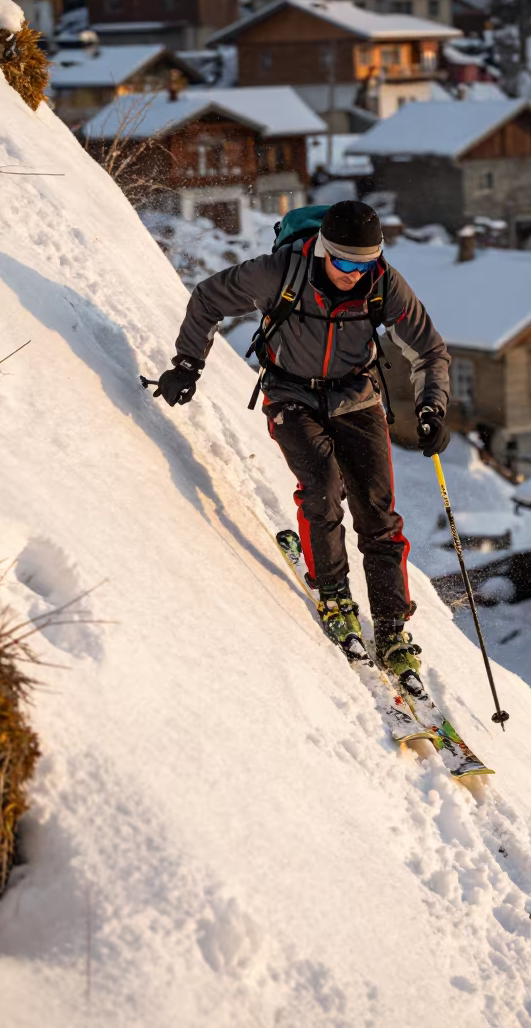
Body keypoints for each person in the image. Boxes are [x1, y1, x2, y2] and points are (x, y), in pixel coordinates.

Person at [154, 201, 450, 694]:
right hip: (291, 392)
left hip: (356, 396)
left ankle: (393, 628)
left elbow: (429, 350)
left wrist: (432, 408)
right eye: (347, 263)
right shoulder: (280, 271)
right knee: (322, 488)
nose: (357, 274)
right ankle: (335, 596)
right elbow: (207, 298)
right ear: (323, 251)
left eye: (367, 263)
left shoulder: (383, 282)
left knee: (378, 511)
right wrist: (187, 364)